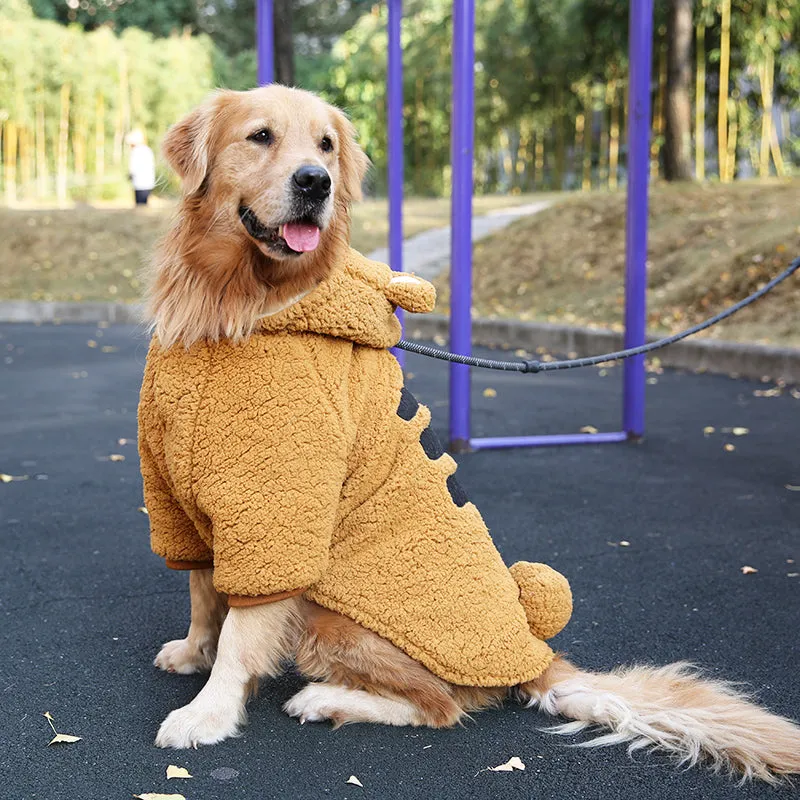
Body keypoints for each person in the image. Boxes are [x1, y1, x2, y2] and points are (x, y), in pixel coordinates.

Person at [127, 129, 156, 206]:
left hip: (140, 183)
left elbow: (133, 167)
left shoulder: (136, 151)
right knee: (144, 204)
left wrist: (130, 175)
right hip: (148, 182)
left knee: (140, 205)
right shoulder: (148, 150)